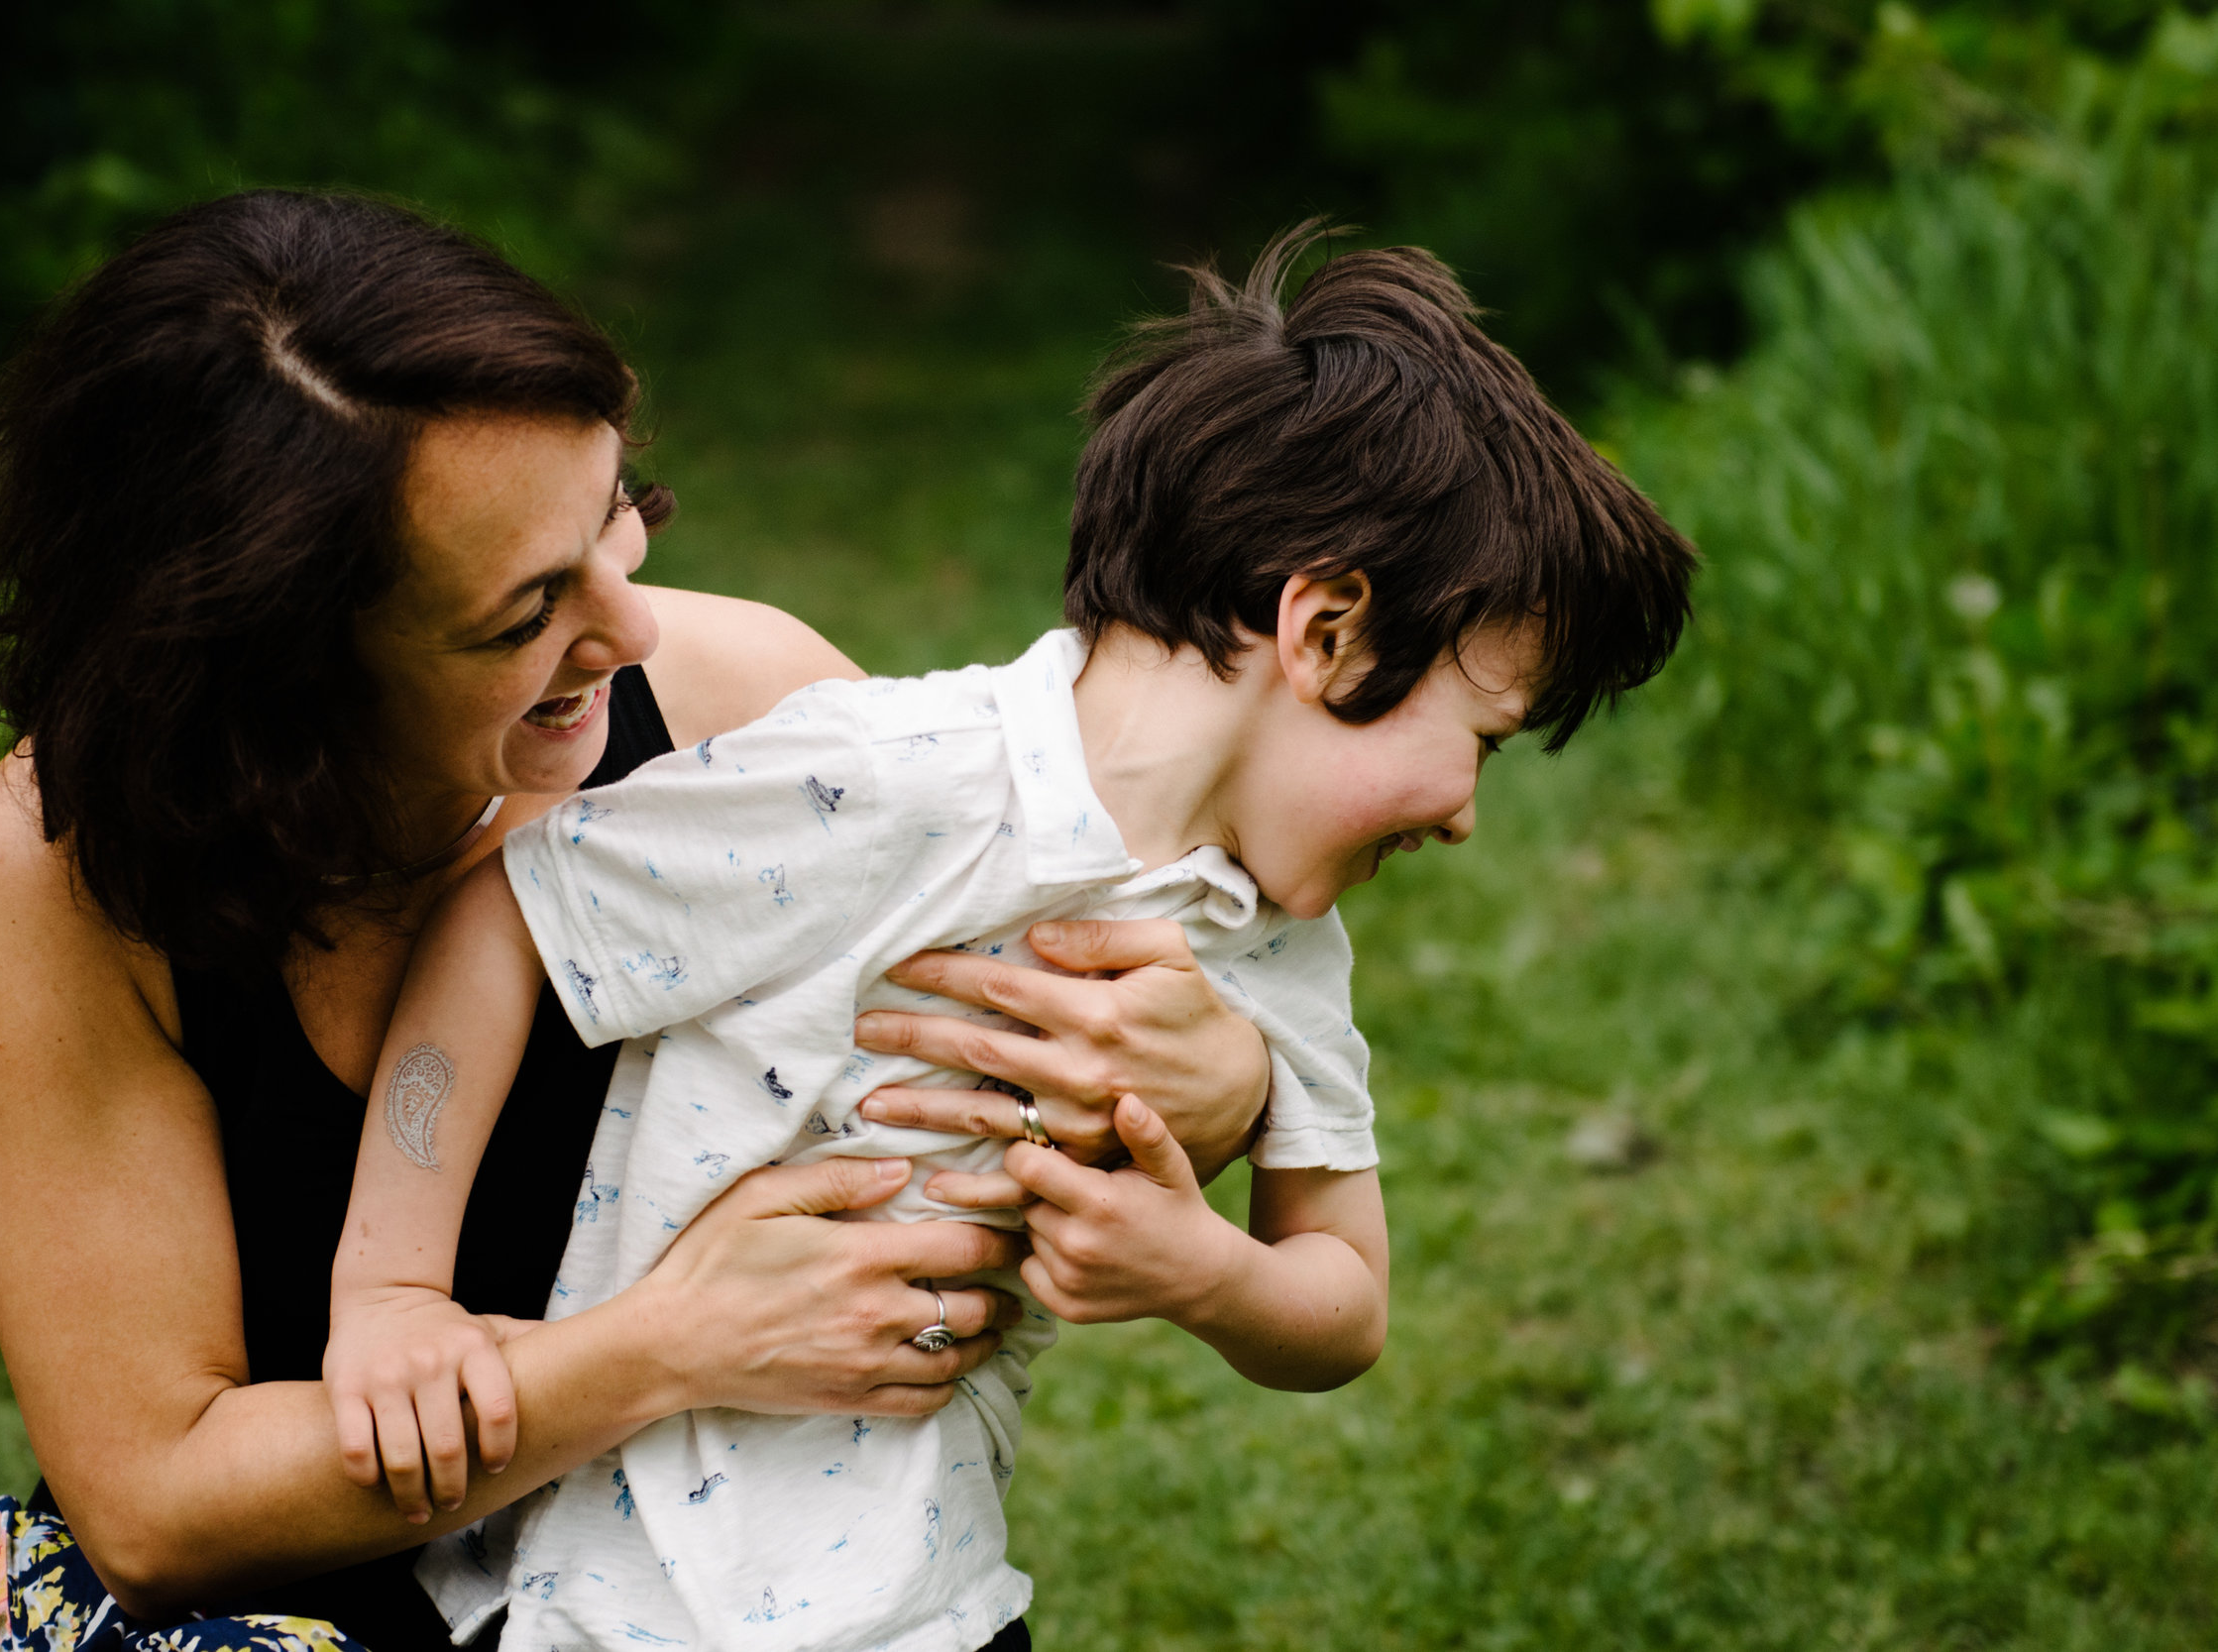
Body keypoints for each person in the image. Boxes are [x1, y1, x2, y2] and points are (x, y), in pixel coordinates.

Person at [0, 189, 1285, 1652]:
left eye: (614, 516)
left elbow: (1008, 1056)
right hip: (298, 1607)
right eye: (522, 617)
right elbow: (160, 1507)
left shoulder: (746, 716)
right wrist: (668, 1347)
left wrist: (1219, 1084)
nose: (629, 631)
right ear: (280, 681)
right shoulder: (66, 864)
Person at [322, 227, 1697, 1652]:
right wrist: (392, 1292)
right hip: (618, 1598)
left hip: (932, 1607)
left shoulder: (1276, 947)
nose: (1467, 814)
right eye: (1474, 737)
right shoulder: (890, 780)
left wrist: (1204, 1273)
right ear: (1327, 629)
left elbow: (1343, 1299)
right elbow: (512, 916)